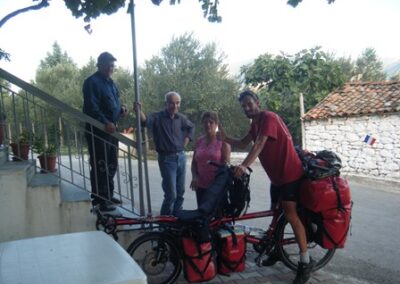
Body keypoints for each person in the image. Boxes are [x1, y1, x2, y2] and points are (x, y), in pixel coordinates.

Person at [219, 89, 313, 284]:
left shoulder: (269, 117)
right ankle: (278, 250)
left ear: (257, 102)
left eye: (248, 104)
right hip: (277, 178)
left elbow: (259, 143)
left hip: (290, 175)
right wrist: (225, 138)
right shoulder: (255, 124)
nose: (246, 108)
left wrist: (244, 166)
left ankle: (305, 263)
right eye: (243, 106)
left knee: (290, 215)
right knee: (276, 213)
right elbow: (244, 143)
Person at [135, 91, 194, 216]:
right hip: (167, 159)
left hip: (181, 157)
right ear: (166, 103)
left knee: (180, 191)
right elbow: (145, 123)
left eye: (177, 103)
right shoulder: (157, 117)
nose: (175, 106)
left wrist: (187, 140)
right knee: (171, 194)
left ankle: (177, 217)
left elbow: (191, 127)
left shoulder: (181, 118)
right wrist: (139, 111)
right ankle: (164, 222)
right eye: (172, 103)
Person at [83, 52, 128, 212]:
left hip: (111, 131)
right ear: (99, 65)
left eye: (112, 65)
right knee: (99, 164)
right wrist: (105, 122)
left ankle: (108, 194)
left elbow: (114, 104)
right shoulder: (91, 82)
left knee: (111, 163)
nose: (111, 68)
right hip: (98, 130)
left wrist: (121, 109)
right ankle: (100, 199)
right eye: (108, 65)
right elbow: (91, 107)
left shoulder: (112, 84)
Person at [190, 111, 231, 207]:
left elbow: (226, 169)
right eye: (205, 122)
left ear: (216, 124)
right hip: (200, 187)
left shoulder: (223, 142)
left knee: (218, 219)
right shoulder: (199, 141)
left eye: (211, 122)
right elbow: (194, 163)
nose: (207, 125)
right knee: (202, 216)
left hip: (216, 189)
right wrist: (194, 177)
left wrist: (218, 185)